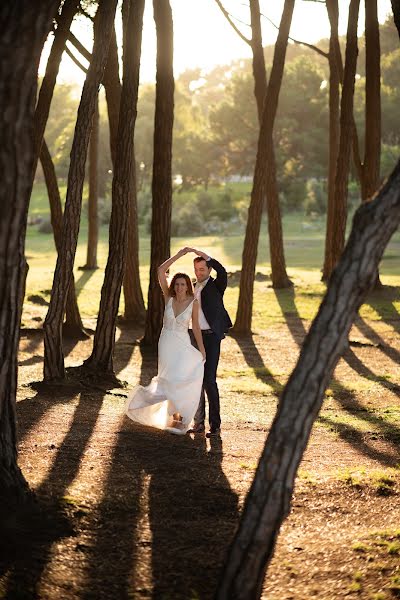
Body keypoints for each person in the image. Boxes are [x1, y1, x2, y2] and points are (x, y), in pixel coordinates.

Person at [125, 248, 206, 435]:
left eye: (182, 284)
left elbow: (195, 328)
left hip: (182, 344)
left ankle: (181, 418)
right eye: (177, 284)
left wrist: (201, 349)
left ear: (188, 286)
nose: (179, 287)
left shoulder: (193, 302)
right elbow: (160, 271)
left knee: (179, 379)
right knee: (168, 380)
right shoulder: (168, 298)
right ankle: (173, 419)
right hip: (166, 343)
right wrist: (180, 254)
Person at [188, 248, 232, 437]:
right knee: (195, 380)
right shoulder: (192, 286)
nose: (199, 272)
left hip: (211, 337)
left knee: (209, 380)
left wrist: (207, 257)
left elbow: (222, 271)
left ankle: (215, 425)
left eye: (203, 269)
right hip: (193, 337)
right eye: (197, 269)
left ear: (209, 269)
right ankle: (198, 423)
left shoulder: (216, 285)